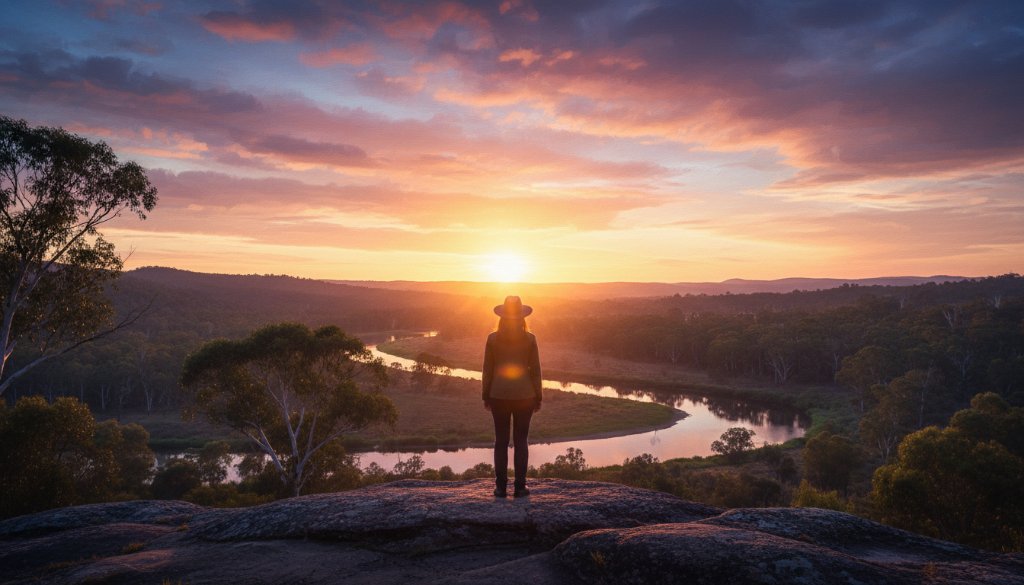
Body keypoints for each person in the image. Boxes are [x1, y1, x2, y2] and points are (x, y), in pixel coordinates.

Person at [482, 295, 542, 498]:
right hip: (525, 395)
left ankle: (500, 488)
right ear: (522, 317)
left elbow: (487, 371)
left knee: (500, 441)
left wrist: (486, 395)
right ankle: (519, 487)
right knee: (521, 441)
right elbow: (535, 371)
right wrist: (538, 396)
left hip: (498, 395)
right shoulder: (530, 339)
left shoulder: (492, 339)